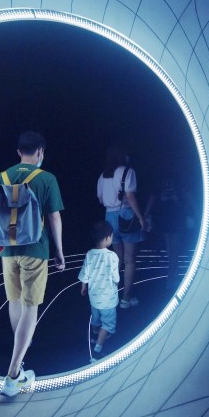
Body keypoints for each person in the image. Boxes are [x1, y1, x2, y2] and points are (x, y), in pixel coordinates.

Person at [0, 131, 66, 397]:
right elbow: (54, 218)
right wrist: (60, 251)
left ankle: (19, 362)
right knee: (31, 307)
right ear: (40, 151)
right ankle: (14, 373)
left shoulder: (2, 177)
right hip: (35, 250)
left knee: (15, 302)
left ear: (19, 152)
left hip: (7, 251)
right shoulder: (47, 178)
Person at [97, 145, 146, 308]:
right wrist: (141, 218)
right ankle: (125, 298)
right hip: (126, 216)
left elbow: (101, 200)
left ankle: (111, 295)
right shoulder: (128, 171)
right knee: (130, 260)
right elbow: (130, 196)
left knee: (117, 258)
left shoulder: (103, 176)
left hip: (109, 218)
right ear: (122, 155)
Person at [79, 220, 119, 362]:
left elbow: (85, 273)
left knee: (96, 319)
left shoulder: (90, 254)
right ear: (108, 238)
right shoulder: (112, 256)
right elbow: (116, 277)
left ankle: (95, 335)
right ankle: (97, 351)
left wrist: (84, 287)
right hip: (108, 298)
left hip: (94, 297)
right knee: (107, 324)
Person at [145, 175, 195, 289]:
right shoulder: (179, 178)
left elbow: (153, 197)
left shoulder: (160, 177)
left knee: (171, 251)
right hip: (175, 217)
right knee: (174, 251)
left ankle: (172, 277)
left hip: (167, 217)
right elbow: (188, 196)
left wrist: (146, 214)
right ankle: (171, 278)